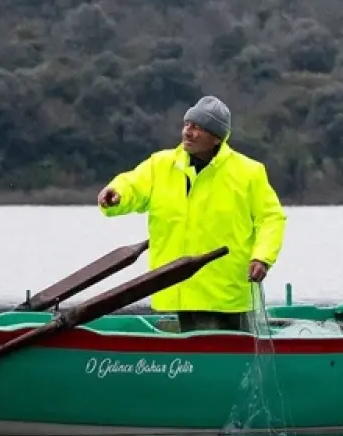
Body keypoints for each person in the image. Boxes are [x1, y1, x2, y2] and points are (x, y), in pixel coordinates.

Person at [97, 95, 286, 333]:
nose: (188, 132)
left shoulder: (248, 172)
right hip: (172, 289)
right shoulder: (160, 164)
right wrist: (116, 194)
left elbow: (271, 218)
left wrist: (262, 258)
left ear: (217, 137)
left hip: (225, 293)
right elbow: (132, 185)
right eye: (187, 124)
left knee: (228, 349)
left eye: (198, 127)